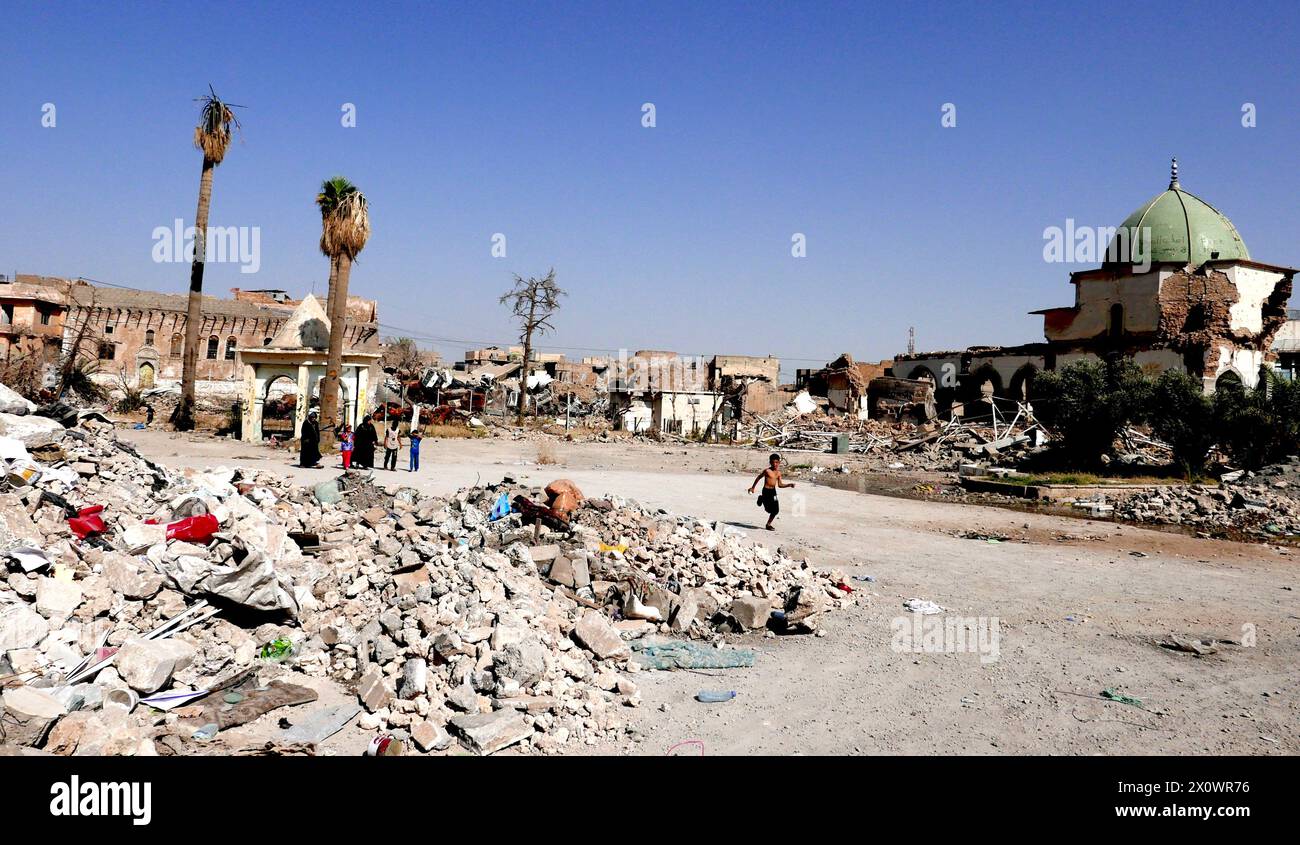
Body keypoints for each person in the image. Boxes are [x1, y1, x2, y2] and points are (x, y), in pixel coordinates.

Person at [747, 452, 794, 531]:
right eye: (772, 462)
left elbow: (780, 485)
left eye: (776, 462)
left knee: (776, 510)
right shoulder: (767, 471)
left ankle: (768, 524)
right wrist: (753, 487)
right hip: (766, 491)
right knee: (768, 509)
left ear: (779, 462)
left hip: (773, 492)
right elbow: (758, 477)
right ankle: (761, 498)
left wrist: (789, 485)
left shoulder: (778, 473)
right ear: (770, 462)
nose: (774, 464)